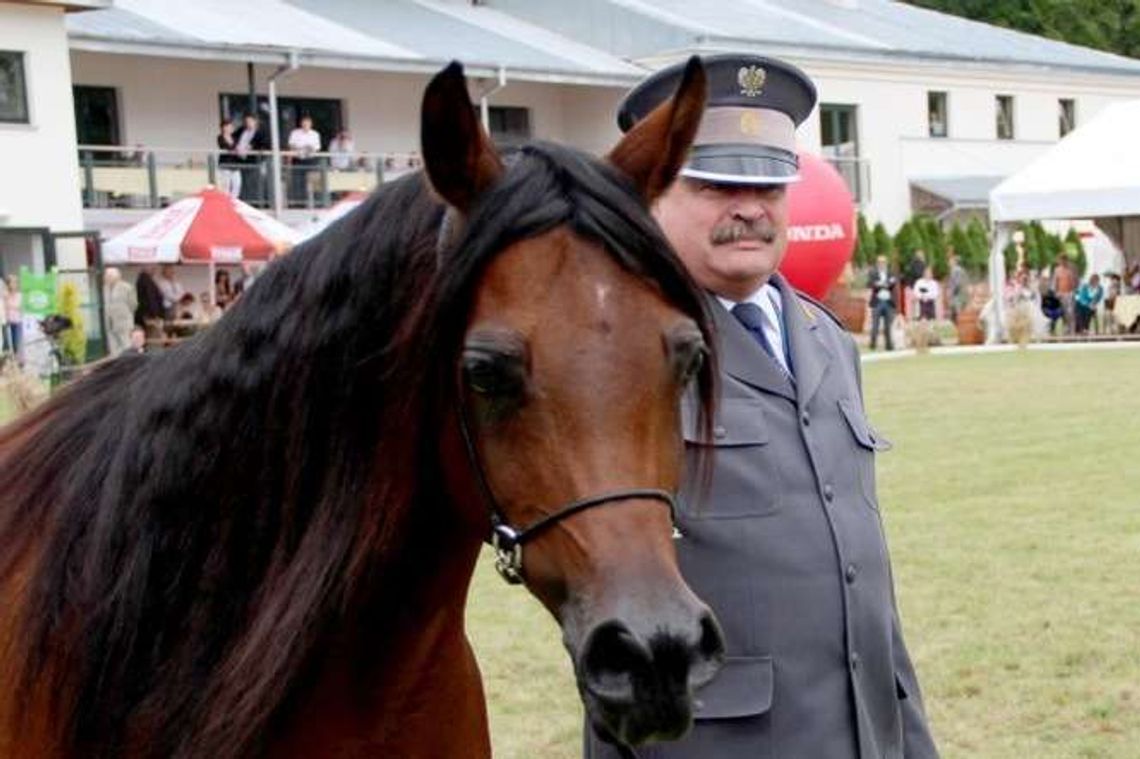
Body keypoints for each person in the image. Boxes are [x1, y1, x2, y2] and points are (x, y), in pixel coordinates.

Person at [587, 54, 939, 759]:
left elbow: (865, 581)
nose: (750, 207)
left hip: (860, 733)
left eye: (770, 184)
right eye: (718, 184)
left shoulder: (826, 339)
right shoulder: (620, 354)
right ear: (653, 194)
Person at [233, 112, 270, 205]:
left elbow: (265, 144)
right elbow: (233, 138)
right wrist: (235, 146)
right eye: (246, 121)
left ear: (255, 121)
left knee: (255, 181)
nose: (248, 123)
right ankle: (246, 202)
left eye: (250, 121)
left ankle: (258, 202)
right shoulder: (241, 130)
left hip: (255, 161)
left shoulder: (261, 131)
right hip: (242, 160)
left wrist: (252, 146)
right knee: (244, 182)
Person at [287, 114, 322, 207]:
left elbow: (317, 148)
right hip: (298, 159)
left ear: (311, 124)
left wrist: (306, 147)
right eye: (304, 123)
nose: (305, 125)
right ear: (301, 123)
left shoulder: (315, 134)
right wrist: (301, 148)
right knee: (298, 182)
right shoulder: (295, 133)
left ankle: (315, 203)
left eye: (307, 123)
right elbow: (291, 145)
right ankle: (299, 203)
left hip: (311, 160)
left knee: (313, 182)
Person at [102, 267, 137, 357]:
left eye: (109, 276)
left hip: (123, 321)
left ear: (116, 277)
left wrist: (126, 314)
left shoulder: (127, 287)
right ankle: (116, 361)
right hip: (109, 321)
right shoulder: (104, 288)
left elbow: (133, 304)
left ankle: (128, 360)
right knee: (113, 346)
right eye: (106, 276)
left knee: (126, 344)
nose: (106, 278)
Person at [867, 254, 898, 350]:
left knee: (888, 325)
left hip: (888, 302)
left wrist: (882, 284)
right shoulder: (873, 273)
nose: (882, 264)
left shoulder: (891, 273)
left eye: (883, 262)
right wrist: (884, 284)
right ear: (877, 263)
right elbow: (871, 284)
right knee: (875, 325)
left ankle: (889, 345)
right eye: (880, 262)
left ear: (886, 263)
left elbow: (893, 283)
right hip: (877, 301)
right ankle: (873, 345)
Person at [134, 265, 166, 334]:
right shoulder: (146, 281)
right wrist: (155, 314)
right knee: (153, 334)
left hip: (146, 314)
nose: (155, 271)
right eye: (153, 268)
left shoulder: (143, 280)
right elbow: (150, 299)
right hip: (149, 315)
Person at [215, 118, 242, 198]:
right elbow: (225, 147)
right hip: (225, 164)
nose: (229, 128)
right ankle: (226, 202)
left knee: (237, 184)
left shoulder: (234, 137)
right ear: (223, 128)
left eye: (230, 126)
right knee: (226, 186)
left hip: (235, 164)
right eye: (227, 126)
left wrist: (234, 147)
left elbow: (237, 147)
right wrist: (234, 147)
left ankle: (233, 201)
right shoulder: (220, 137)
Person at [2, 274, 21, 360]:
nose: (14, 284)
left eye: (16, 282)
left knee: (16, 342)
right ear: (8, 284)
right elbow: (4, 307)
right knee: (6, 343)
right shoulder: (4, 295)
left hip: (16, 321)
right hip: (6, 321)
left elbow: (20, 307)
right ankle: (7, 359)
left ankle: (15, 359)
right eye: (12, 282)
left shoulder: (19, 295)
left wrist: (11, 306)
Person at [946, 250, 967, 323]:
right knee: (955, 310)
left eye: (950, 261)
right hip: (958, 293)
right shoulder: (956, 269)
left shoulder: (956, 270)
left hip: (957, 293)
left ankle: (956, 324)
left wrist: (951, 292)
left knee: (956, 310)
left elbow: (957, 283)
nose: (948, 263)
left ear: (954, 262)